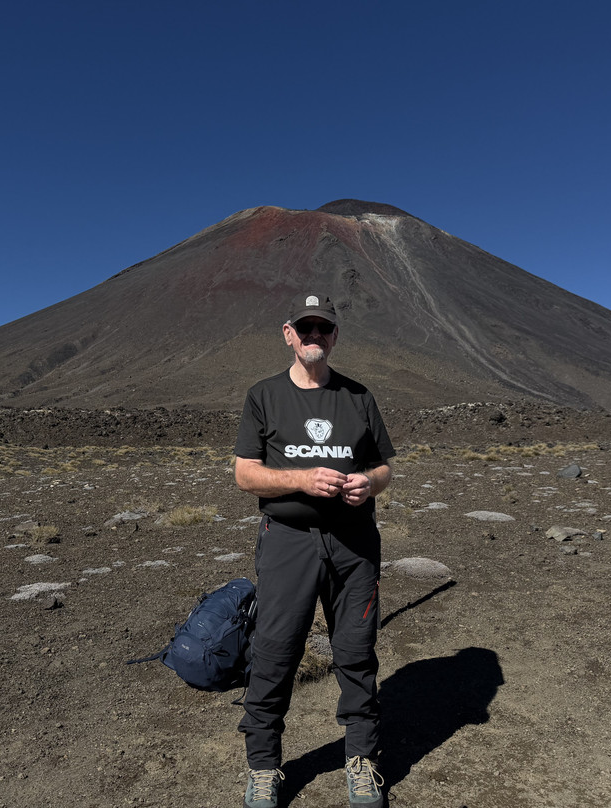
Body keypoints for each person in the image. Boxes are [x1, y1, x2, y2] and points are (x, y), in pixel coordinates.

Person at [234, 293, 395, 808]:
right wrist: (302, 479)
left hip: (353, 546)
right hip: (288, 544)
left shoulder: (358, 396)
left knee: (355, 652)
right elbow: (244, 473)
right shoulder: (264, 396)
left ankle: (362, 760)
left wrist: (368, 484)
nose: (313, 337)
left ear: (334, 336)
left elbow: (385, 468)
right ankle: (264, 767)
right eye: (304, 329)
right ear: (288, 334)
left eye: (322, 329)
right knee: (275, 652)